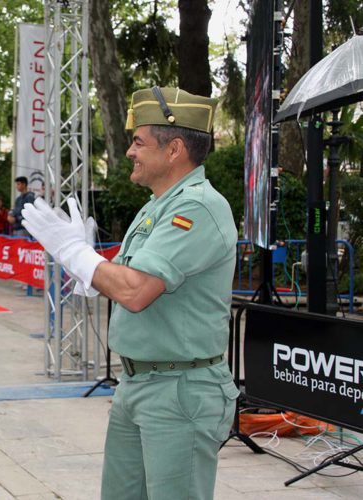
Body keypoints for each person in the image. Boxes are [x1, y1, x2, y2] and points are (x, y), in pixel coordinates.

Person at [21, 86, 239, 500]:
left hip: (180, 389)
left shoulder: (197, 207)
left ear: (174, 149)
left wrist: (74, 252)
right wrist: (84, 265)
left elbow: (135, 291)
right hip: (139, 382)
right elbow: (121, 276)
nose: (130, 152)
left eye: (138, 142)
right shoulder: (157, 205)